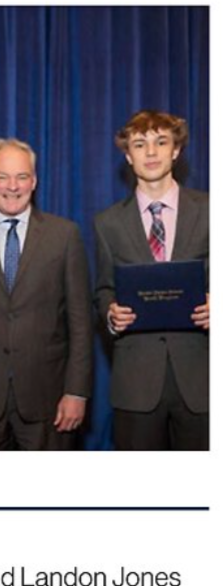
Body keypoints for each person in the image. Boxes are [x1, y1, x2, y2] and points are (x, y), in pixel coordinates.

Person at [0, 138, 92, 450]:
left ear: (34, 181)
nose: (12, 186)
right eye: (2, 176)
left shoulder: (64, 235)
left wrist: (76, 392)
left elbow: (80, 323)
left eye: (22, 176)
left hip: (48, 400)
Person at [94, 110, 209, 450]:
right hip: (136, 383)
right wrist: (111, 314)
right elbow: (103, 289)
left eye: (161, 142)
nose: (152, 152)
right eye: (140, 144)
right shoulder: (108, 222)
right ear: (128, 156)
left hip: (202, 378)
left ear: (176, 150)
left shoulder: (211, 210)